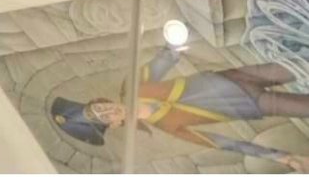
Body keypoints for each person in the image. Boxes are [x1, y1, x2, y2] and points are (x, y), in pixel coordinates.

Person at [52, 47, 309, 169]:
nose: (108, 112)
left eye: (100, 108)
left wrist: (174, 44)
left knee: (299, 62)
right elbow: (224, 142)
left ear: (103, 100)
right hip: (253, 105)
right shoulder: (168, 127)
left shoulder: (132, 86)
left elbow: (163, 61)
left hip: (237, 76)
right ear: (114, 125)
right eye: (103, 118)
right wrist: (283, 157)